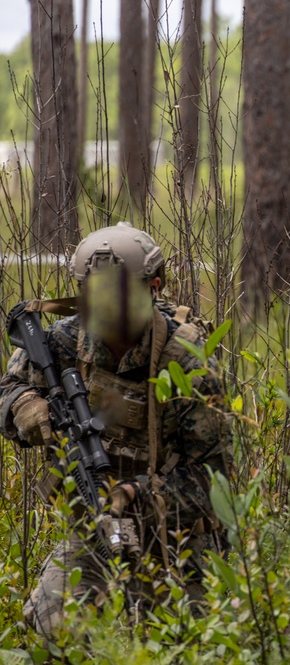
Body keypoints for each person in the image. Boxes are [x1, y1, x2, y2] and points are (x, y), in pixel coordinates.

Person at [0, 222, 232, 636]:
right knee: (54, 623)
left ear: (154, 286)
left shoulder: (190, 361)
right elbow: (9, 388)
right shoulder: (65, 340)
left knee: (195, 639)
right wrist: (25, 406)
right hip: (93, 528)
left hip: (179, 537)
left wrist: (134, 494)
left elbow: (213, 483)